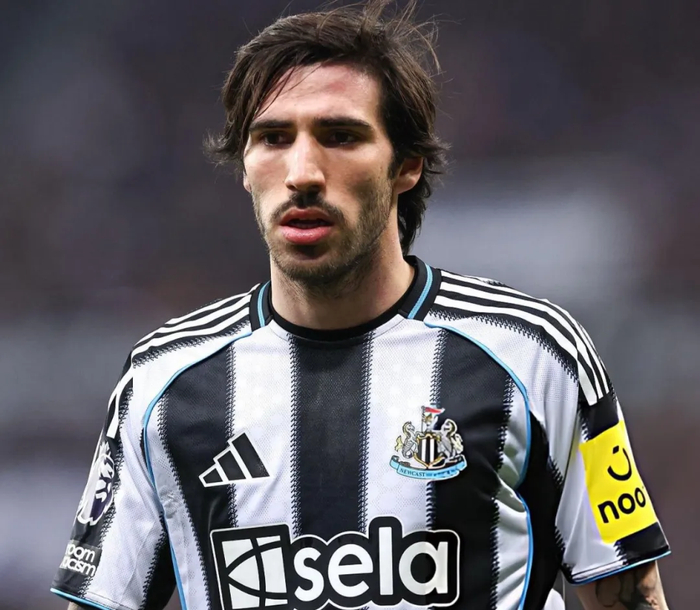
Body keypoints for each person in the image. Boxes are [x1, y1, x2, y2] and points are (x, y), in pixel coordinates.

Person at [51, 2, 671, 610]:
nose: (302, 172)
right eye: (273, 138)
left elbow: (627, 594)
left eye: (340, 136)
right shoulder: (163, 381)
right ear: (244, 166)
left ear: (407, 165)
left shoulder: (537, 355)